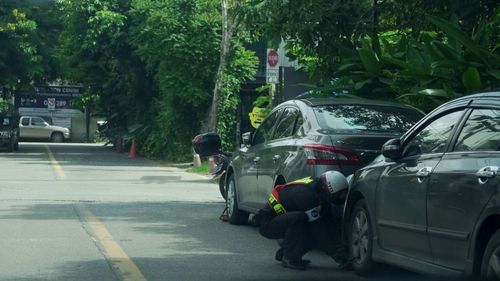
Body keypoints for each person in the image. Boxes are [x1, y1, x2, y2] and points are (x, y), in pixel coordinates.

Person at [255, 171, 351, 270]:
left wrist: (342, 247)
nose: (341, 198)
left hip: (282, 220)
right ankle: (289, 257)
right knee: (301, 219)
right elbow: (318, 229)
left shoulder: (319, 190)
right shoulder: (306, 195)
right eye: (339, 195)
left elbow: (328, 224)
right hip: (267, 223)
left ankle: (286, 252)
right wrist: (338, 256)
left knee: (311, 225)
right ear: (329, 189)